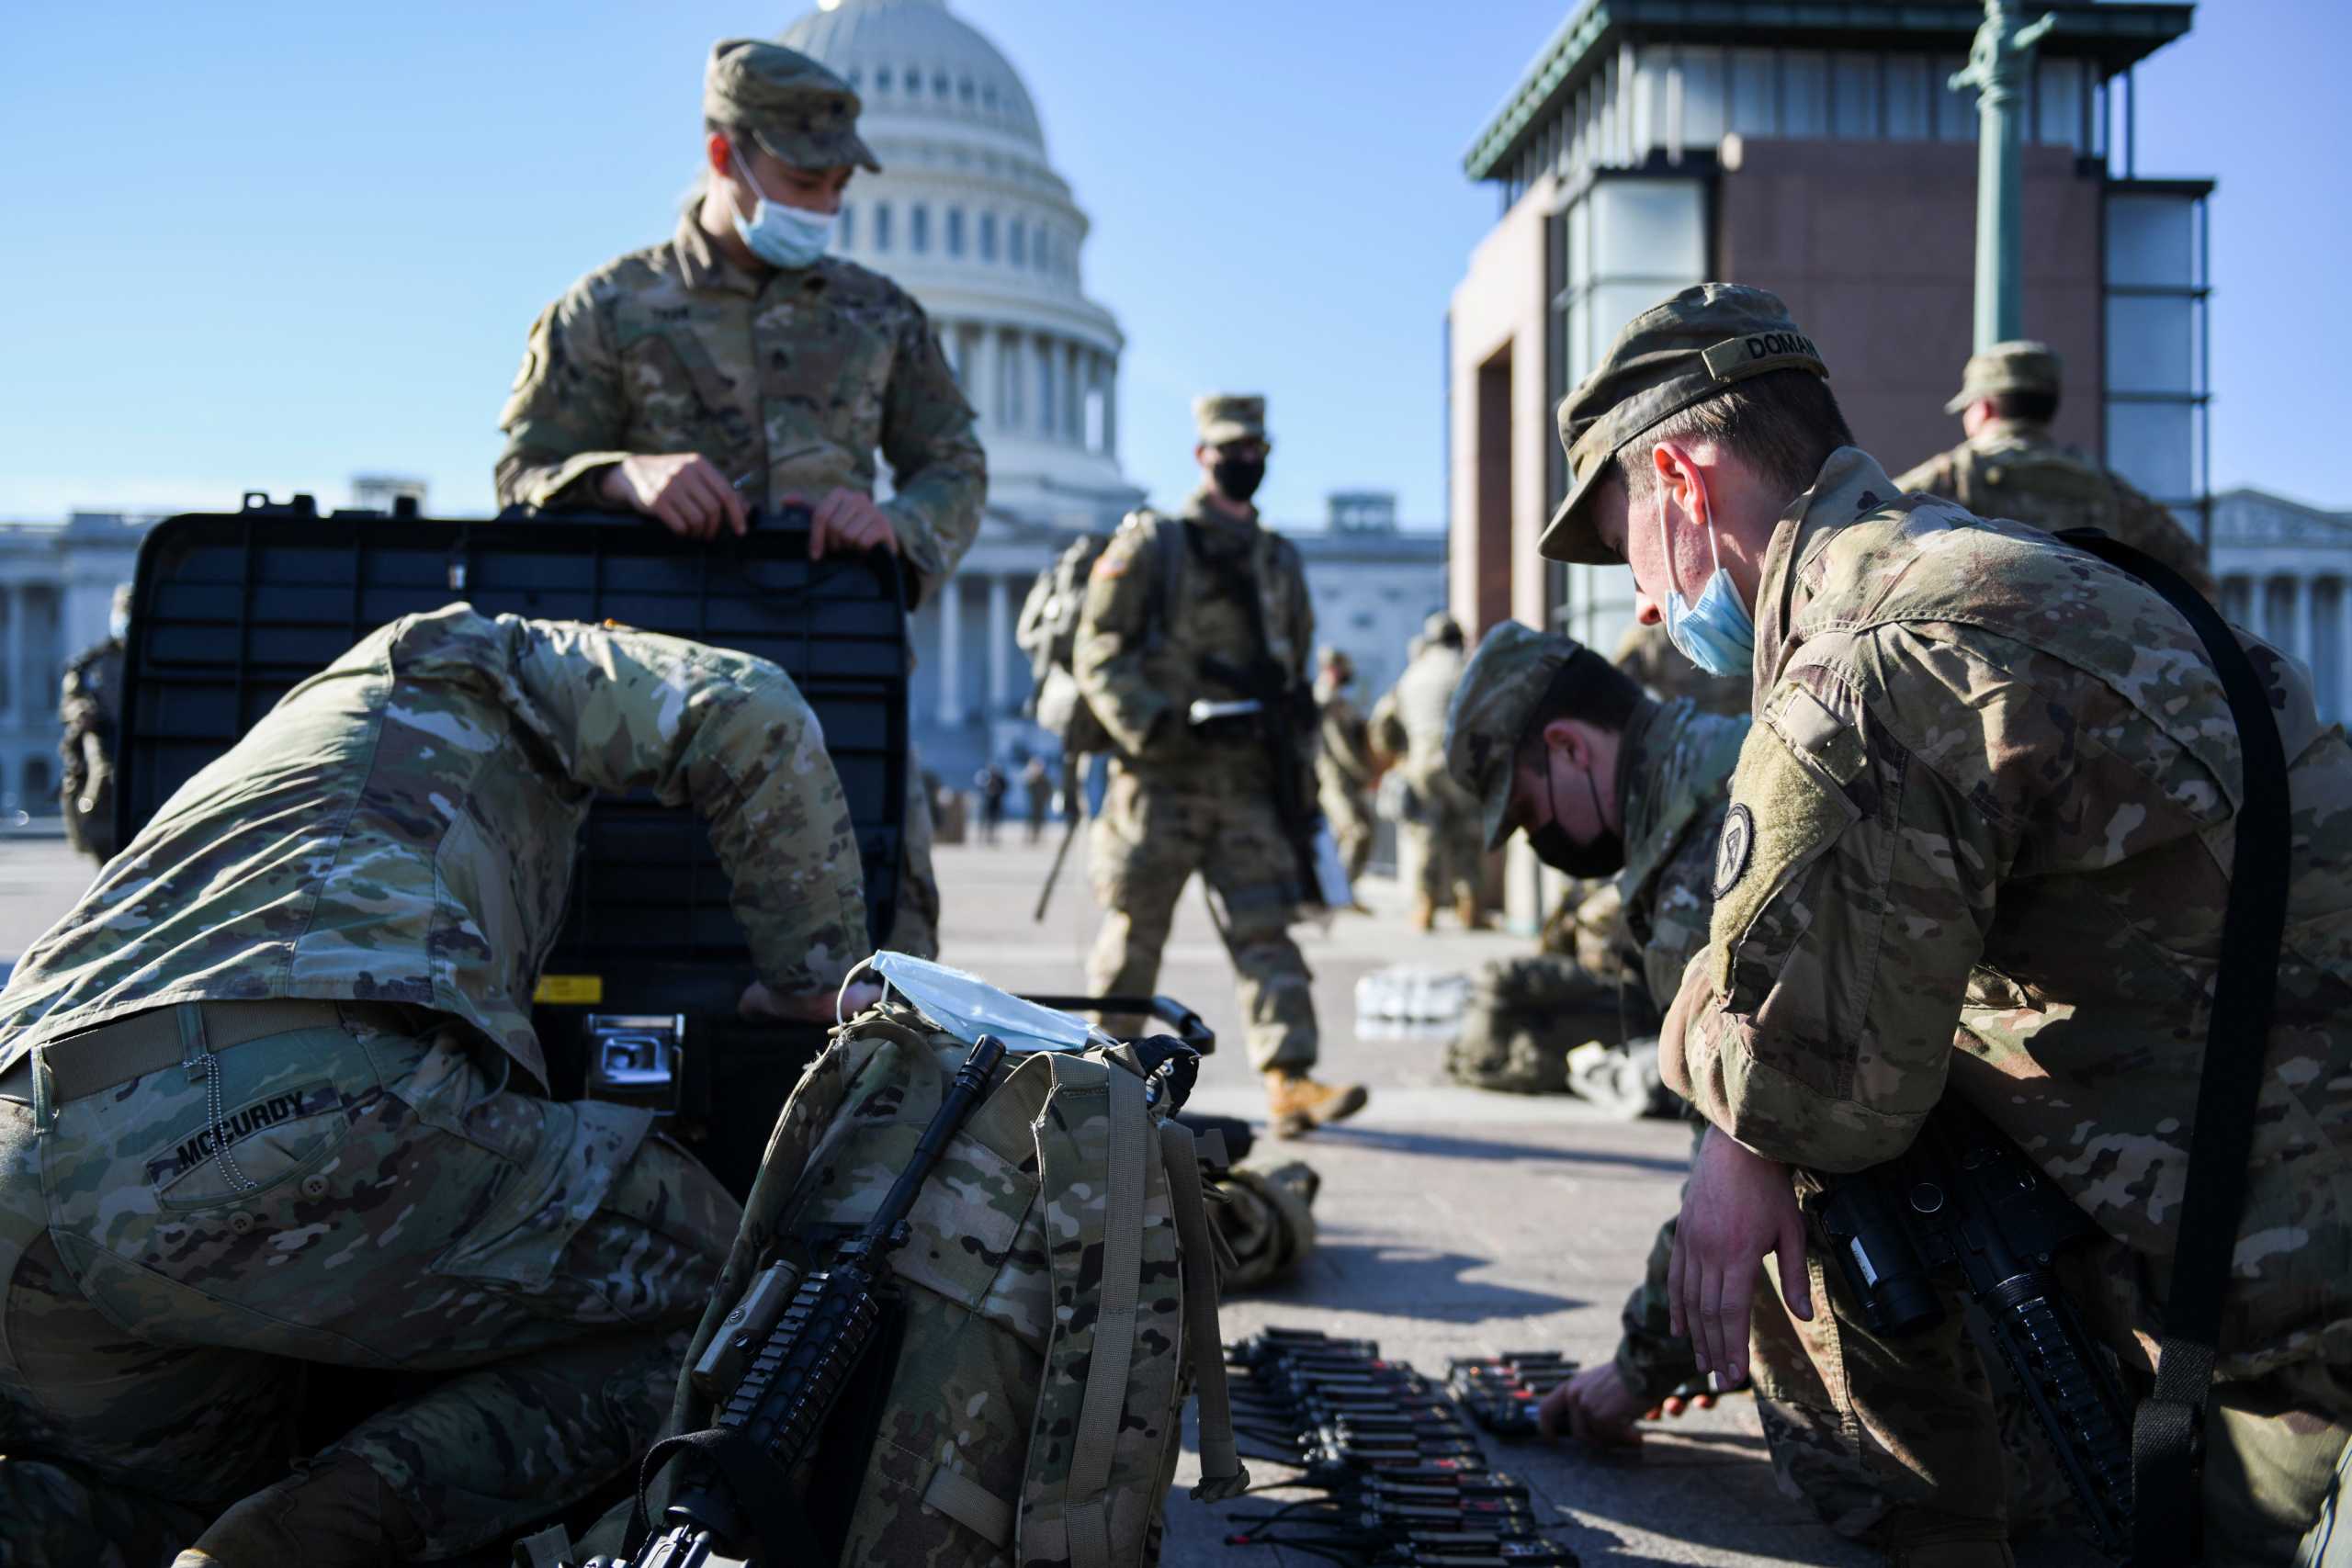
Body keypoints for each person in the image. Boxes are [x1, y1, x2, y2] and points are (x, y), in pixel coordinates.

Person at [1541, 282, 2352, 1565]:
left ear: (1684, 485)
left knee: (1819, 1192)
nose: (1643, 603)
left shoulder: (1868, 655)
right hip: (2283, 1193)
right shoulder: (2015, 562)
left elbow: (1804, 1084)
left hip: (2273, 1310)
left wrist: (1723, 1105)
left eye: (1626, 545)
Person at [0, 606, 872, 1568]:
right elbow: (746, 703)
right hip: (273, 1107)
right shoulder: (482, 657)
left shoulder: (288, 750)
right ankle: (305, 1540)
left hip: (20, 1163)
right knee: (735, 1304)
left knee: (146, 1506)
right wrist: (813, 976)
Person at [493, 37, 983, 960]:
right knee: (646, 953)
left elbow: (953, 462)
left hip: (840, 673)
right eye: (805, 181)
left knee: (881, 957)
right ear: (726, 156)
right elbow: (522, 477)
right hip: (651, 704)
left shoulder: (879, 316)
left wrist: (898, 523)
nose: (827, 205)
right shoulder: (608, 308)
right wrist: (616, 475)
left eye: (840, 184)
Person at [1074, 394, 1368, 1138]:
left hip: (1248, 781)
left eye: (1257, 450)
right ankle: (1099, 1080)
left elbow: (1292, 662)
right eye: (1232, 449)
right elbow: (1098, 648)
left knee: (1268, 931)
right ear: (1203, 455)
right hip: (1163, 774)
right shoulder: (1154, 543)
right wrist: (1153, 723)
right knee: (1134, 932)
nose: (1247, 463)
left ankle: (1290, 1079)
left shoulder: (1277, 558)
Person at [1894, 340, 2214, 596]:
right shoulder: (2106, 487)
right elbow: (2192, 571)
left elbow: (1863, 529)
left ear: (1984, 407)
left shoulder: (1953, 475)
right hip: (2089, 663)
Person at [1371, 613, 1486, 931]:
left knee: (1425, 836)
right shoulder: (1468, 669)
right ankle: (1470, 909)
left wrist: (1396, 753)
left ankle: (1425, 909)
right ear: (1459, 640)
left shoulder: (1412, 674)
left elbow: (1383, 720)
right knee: (1467, 835)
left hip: (1419, 763)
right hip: (1459, 763)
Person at [57, 585, 130, 863]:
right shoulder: (93, 661)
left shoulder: (158, 654)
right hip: (106, 735)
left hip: (146, 739)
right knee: (98, 780)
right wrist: (81, 712)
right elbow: (71, 698)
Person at [1313, 645, 1378, 885]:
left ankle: (1344, 890)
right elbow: (1340, 745)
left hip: (1345, 779)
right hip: (1333, 779)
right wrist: (1364, 773)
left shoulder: (1337, 699)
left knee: (1359, 832)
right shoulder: (1327, 698)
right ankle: (1340, 891)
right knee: (1355, 832)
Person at [1021, 752, 1052, 843]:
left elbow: (1048, 790)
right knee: (1030, 820)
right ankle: (1030, 837)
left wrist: (1045, 799)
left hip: (1041, 803)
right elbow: (1026, 787)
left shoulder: (1044, 779)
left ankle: (1038, 837)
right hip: (1032, 803)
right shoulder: (1030, 778)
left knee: (1040, 821)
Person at [974, 761, 1008, 845]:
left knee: (994, 821)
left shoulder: (1000, 778)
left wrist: (997, 792)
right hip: (985, 802)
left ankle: (991, 837)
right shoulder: (984, 777)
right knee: (983, 821)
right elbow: (979, 786)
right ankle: (981, 837)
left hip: (995, 803)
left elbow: (1005, 787)